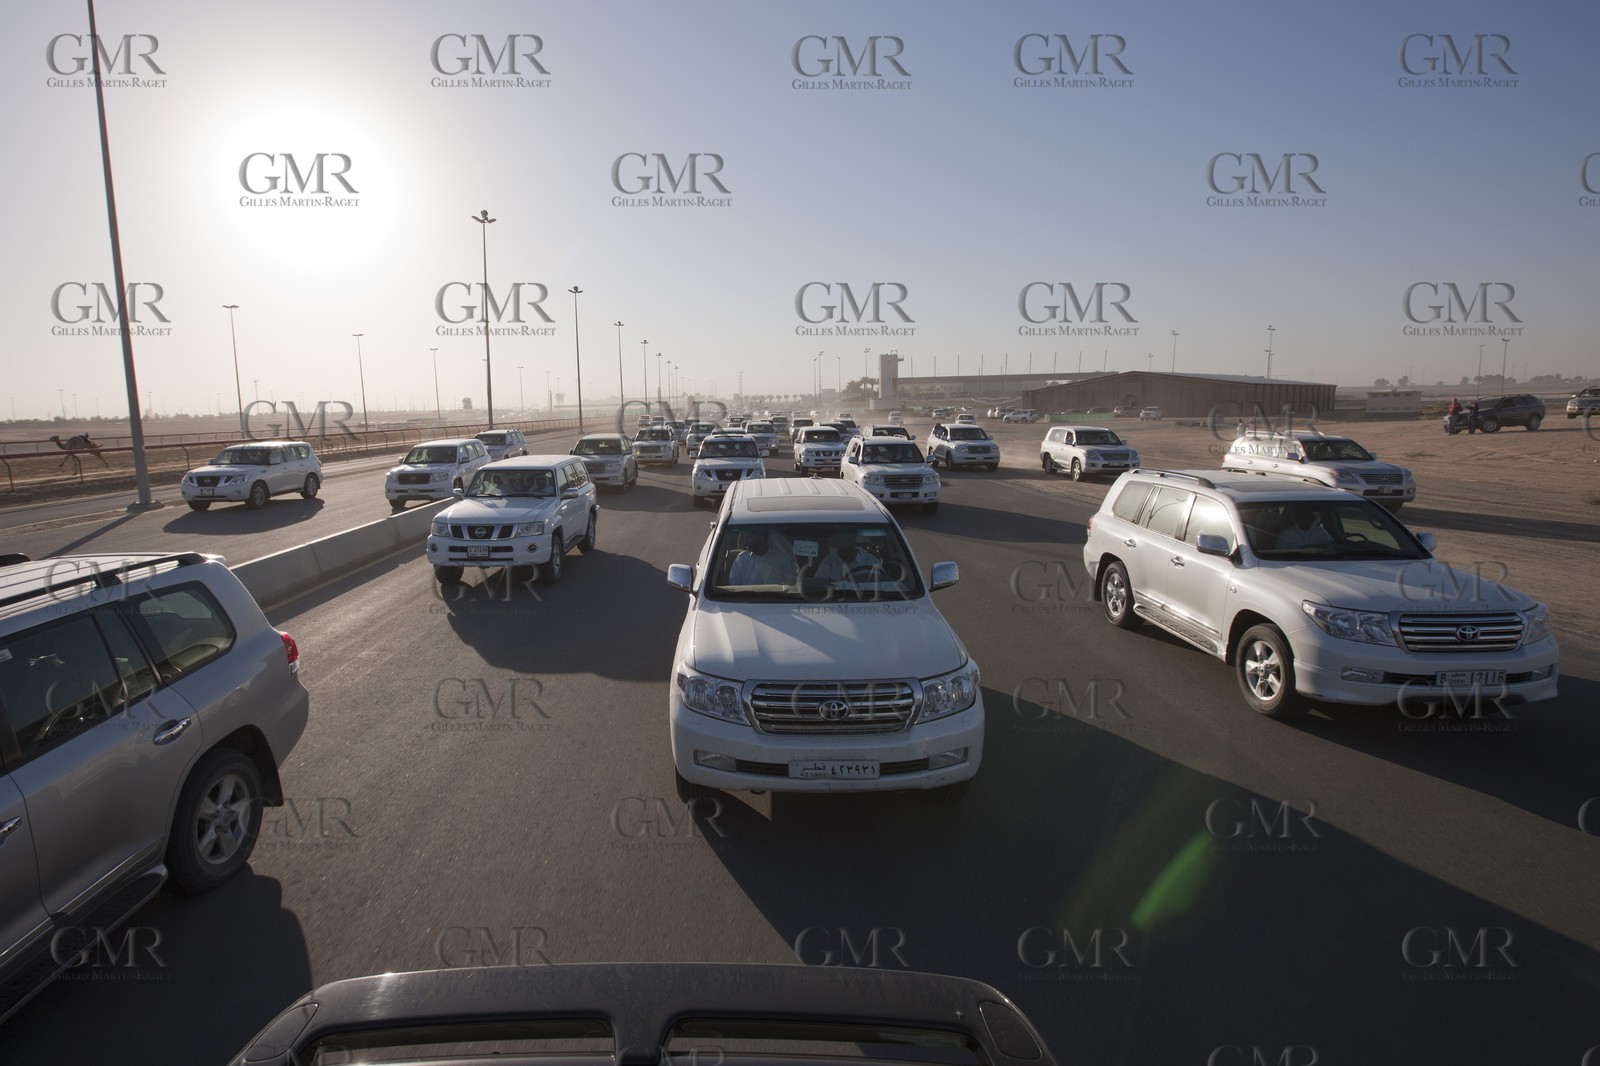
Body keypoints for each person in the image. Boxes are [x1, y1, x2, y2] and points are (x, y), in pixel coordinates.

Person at [727, 530, 796, 586]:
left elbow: (790, 583)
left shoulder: (781, 558)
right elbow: (734, 584)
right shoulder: (742, 558)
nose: (747, 542)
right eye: (747, 538)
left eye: (750, 538)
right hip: (746, 600)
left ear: (763, 538)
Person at [810, 529, 880, 582]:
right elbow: (818, 586)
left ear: (855, 547)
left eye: (846, 547)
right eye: (840, 547)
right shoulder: (829, 562)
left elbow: (883, 583)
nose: (843, 550)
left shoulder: (871, 561)